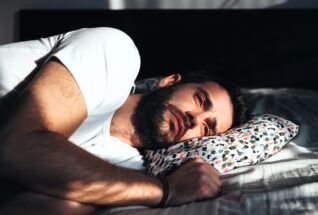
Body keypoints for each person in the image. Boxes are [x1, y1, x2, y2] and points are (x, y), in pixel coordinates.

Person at [0, 27, 248, 214]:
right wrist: (166, 191)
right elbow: (18, 148)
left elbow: (34, 208)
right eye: (200, 100)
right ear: (170, 81)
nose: (195, 120)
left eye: (207, 128)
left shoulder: (129, 172)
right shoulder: (117, 54)